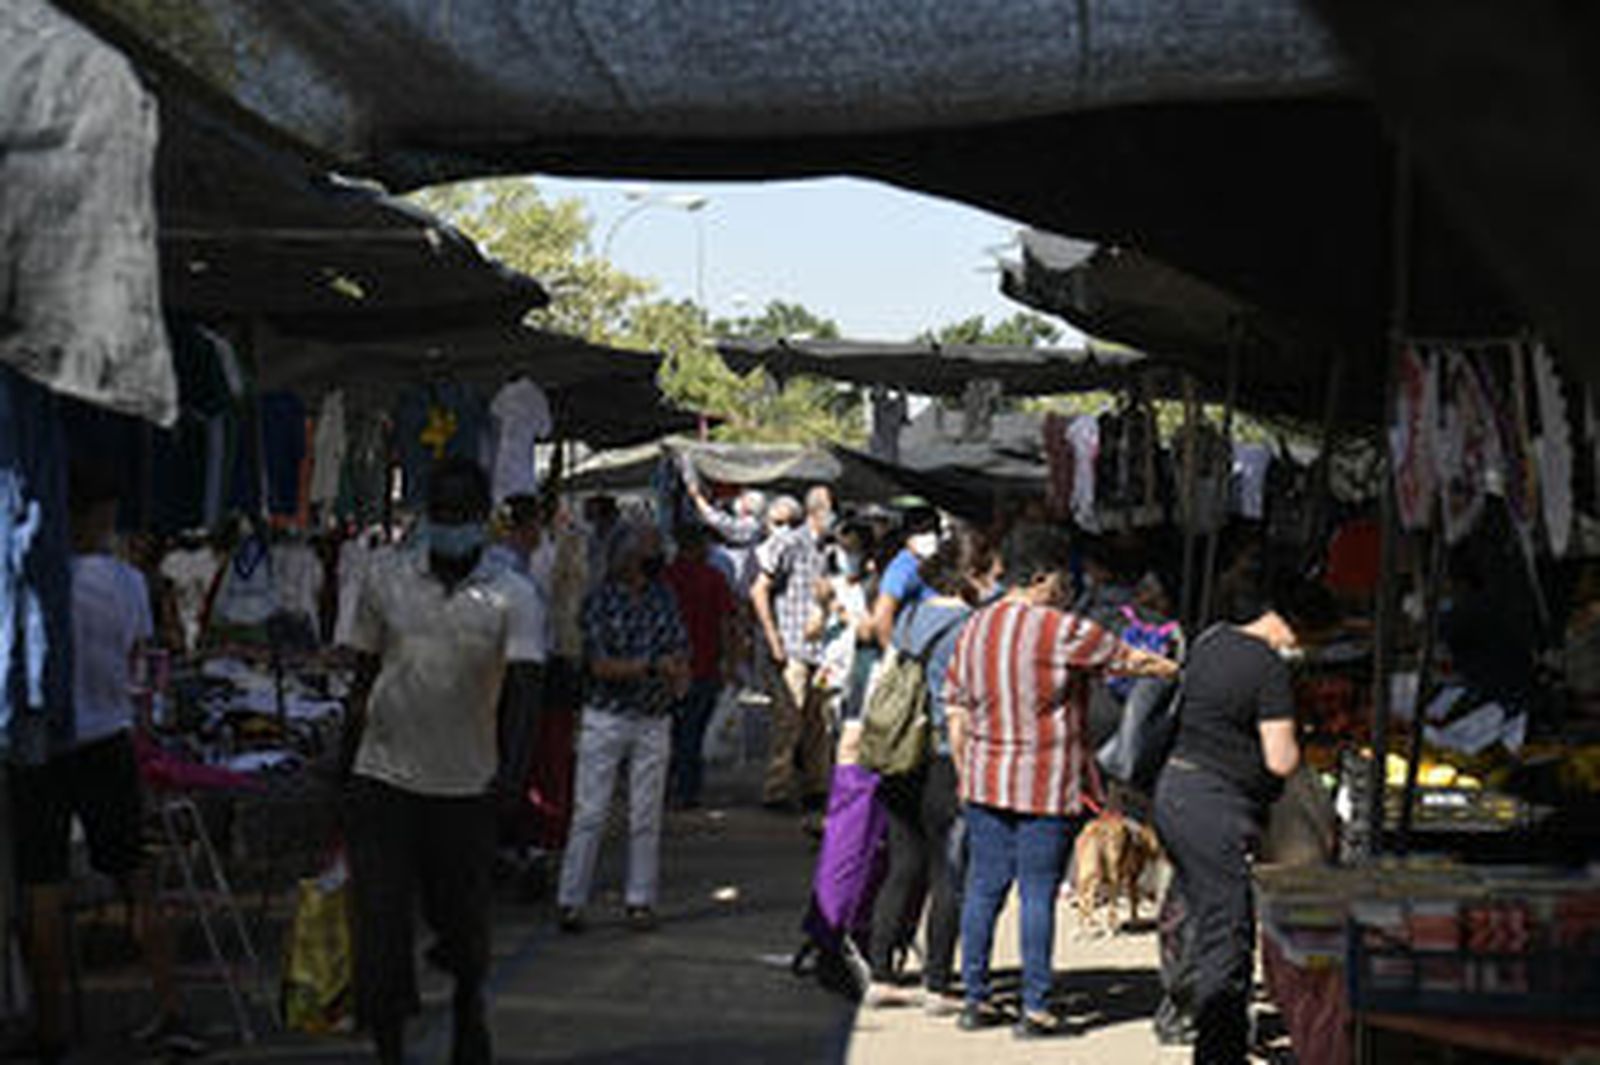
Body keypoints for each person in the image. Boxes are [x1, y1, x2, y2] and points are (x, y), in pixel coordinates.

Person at [944, 524, 1177, 1038]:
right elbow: (1128, 659)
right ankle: (1036, 1009)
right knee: (1037, 894)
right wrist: (1174, 668)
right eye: (1060, 580)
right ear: (1044, 577)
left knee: (983, 890)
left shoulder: (976, 628)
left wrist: (965, 772)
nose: (1065, 589)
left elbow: (955, 707)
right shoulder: (1061, 629)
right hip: (1046, 786)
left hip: (984, 781)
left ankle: (975, 1000)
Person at [9, 465, 194, 1063]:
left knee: (42, 888)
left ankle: (53, 1028)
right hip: (106, 737)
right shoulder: (125, 582)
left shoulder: (26, 578)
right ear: (98, 518)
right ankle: (169, 1011)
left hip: (39, 743)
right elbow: (138, 659)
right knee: (136, 877)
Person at [344, 458, 514, 1065]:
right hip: (383, 778)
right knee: (381, 927)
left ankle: (469, 1003)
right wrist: (344, 769)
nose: (449, 526)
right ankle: (388, 1046)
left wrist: (510, 784)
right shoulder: (384, 579)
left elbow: (523, 690)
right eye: (440, 513)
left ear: (481, 519)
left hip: (465, 785)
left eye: (460, 515)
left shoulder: (512, 594)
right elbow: (362, 674)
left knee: (462, 928)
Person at [1152, 575, 1330, 1064]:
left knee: (1196, 913)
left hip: (1175, 793)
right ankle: (1218, 1050)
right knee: (1228, 931)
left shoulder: (1213, 639)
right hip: (1214, 806)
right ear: (1298, 628)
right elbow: (1280, 759)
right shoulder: (1267, 666)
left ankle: (1181, 1011)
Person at [866, 529, 999, 1015]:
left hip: (901, 752)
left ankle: (881, 972)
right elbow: (966, 705)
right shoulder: (972, 627)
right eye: (990, 574)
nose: (994, 583)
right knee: (949, 870)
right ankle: (938, 984)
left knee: (904, 862)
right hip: (946, 754)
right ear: (970, 575)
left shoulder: (910, 616)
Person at [557, 522, 690, 932]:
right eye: (649, 551)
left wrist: (678, 671)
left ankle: (640, 899)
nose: (656, 558)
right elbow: (599, 665)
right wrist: (653, 667)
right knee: (591, 810)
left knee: (646, 814)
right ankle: (571, 899)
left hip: (653, 715)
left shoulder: (662, 596)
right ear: (627, 557)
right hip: (608, 714)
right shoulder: (599, 601)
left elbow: (679, 645)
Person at [750, 485, 836, 812]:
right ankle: (776, 789)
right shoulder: (788, 542)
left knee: (818, 723)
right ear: (818, 511)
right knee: (788, 721)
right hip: (792, 647)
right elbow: (759, 590)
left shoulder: (827, 548)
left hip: (820, 649)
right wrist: (773, 640)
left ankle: (815, 786)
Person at [483, 495, 551, 857]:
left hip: (510, 670)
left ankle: (502, 835)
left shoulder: (516, 567)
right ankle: (500, 838)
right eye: (539, 524)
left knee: (507, 758)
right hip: (515, 671)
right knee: (510, 758)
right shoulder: (508, 571)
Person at [662, 524, 736, 809]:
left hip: (669, 666)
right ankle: (687, 788)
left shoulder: (665, 578)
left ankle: (672, 784)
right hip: (705, 665)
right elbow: (727, 623)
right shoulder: (713, 578)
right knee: (693, 730)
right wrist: (731, 661)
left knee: (672, 729)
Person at [869, 505, 941, 647]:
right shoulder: (903, 566)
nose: (928, 537)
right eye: (921, 532)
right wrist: (890, 652)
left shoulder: (935, 563)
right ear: (907, 537)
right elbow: (882, 613)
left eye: (932, 531)